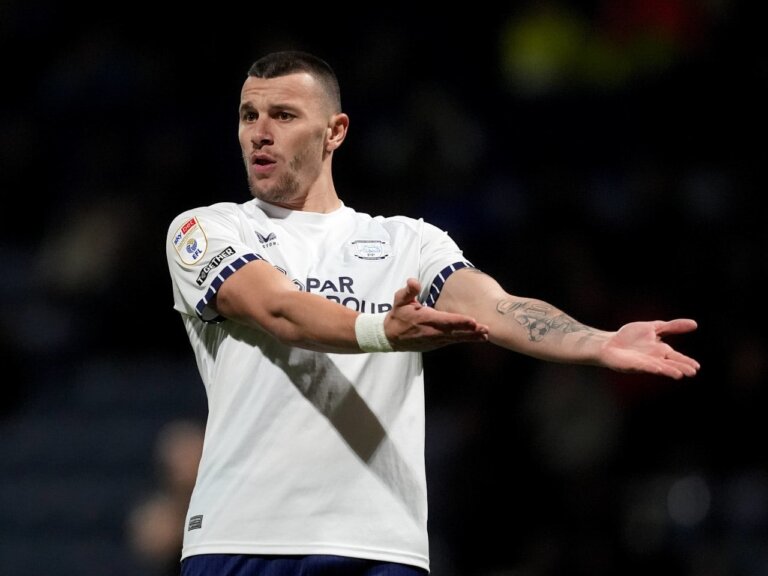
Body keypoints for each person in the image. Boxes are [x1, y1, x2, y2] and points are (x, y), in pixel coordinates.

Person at [164, 50, 700, 576]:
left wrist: (596, 342)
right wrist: (381, 330)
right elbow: (278, 309)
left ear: (335, 132)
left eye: (283, 115)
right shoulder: (206, 229)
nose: (260, 131)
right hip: (244, 536)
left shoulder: (408, 242)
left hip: (381, 543)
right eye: (248, 115)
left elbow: (495, 306)